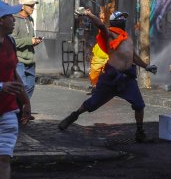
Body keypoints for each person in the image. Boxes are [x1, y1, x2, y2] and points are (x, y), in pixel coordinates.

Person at [58, 9, 158, 143]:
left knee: (139, 104)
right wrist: (89, 14)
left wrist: (146, 66)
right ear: (115, 22)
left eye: (124, 18)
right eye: (121, 18)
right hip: (111, 78)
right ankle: (74, 116)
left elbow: (133, 56)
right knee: (93, 103)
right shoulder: (110, 34)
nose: (124, 20)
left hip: (127, 79)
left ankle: (140, 132)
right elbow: (100, 25)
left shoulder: (127, 38)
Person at [0, 1, 31, 179]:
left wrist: (26, 101)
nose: (14, 20)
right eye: (10, 17)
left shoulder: (10, 42)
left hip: (8, 110)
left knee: (5, 157)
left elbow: (14, 75)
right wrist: (2, 86)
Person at [12, 0, 42, 99]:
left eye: (33, 5)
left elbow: (29, 38)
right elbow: (12, 41)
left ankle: (23, 108)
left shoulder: (31, 19)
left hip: (30, 60)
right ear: (22, 6)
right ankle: (19, 109)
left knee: (30, 86)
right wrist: (30, 41)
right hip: (18, 60)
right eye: (30, 5)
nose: (33, 7)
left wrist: (35, 41)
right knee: (22, 86)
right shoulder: (14, 20)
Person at [88, 11, 110, 93]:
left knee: (107, 72)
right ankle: (96, 86)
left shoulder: (107, 25)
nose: (101, 15)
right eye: (100, 13)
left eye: (102, 13)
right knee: (94, 72)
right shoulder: (101, 24)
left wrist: (90, 15)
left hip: (107, 53)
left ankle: (104, 88)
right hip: (100, 53)